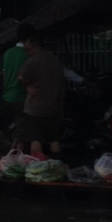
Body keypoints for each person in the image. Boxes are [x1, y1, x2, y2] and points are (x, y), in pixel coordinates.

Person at [17, 27, 66, 159]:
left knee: (35, 137)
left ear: (33, 46)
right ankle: (57, 162)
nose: (26, 52)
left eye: (27, 49)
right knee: (53, 138)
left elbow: (20, 78)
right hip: (54, 105)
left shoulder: (32, 62)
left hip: (36, 106)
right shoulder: (55, 60)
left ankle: (37, 165)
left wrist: (28, 86)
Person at [0, 23, 30, 144]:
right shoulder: (29, 54)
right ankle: (17, 155)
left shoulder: (8, 53)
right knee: (24, 131)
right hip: (23, 96)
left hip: (9, 95)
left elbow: (5, 75)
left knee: (20, 126)